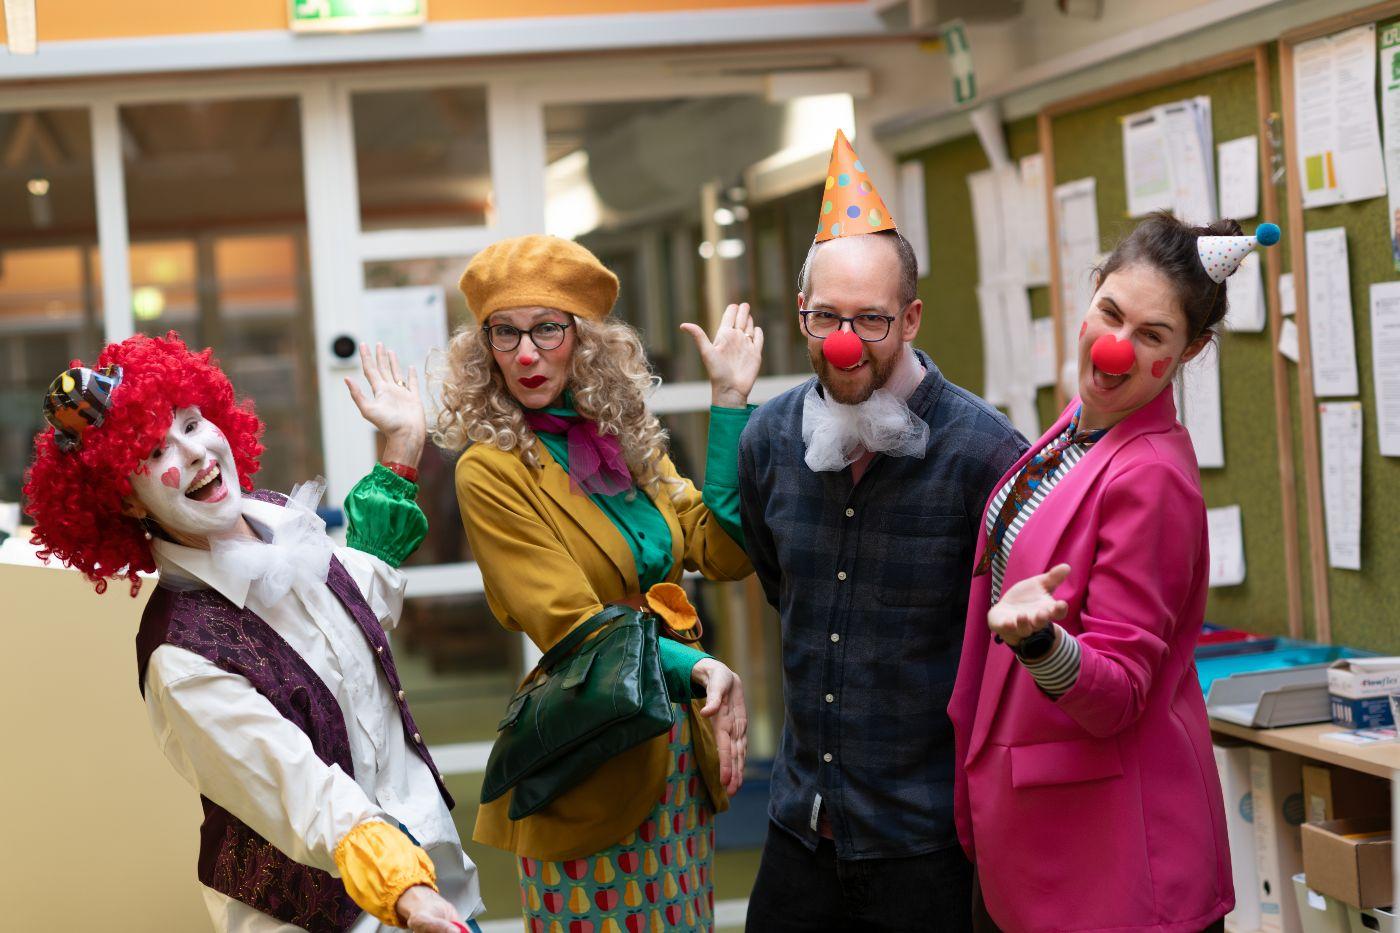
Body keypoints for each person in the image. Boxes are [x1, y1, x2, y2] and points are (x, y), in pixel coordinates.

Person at [23, 332, 483, 933]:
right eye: (156, 452)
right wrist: (403, 889)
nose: (193, 452)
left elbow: (356, 607)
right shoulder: (181, 656)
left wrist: (402, 446)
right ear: (127, 502)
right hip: (342, 915)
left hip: (435, 872)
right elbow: (302, 792)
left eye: (191, 424)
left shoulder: (276, 521)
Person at [948, 214, 1275, 932]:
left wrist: (1040, 642)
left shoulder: (1151, 475)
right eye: (1110, 312)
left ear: (1191, 349)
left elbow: (1120, 693)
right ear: (1092, 291)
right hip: (1039, 834)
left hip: (1111, 858)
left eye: (1152, 335)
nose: (1116, 346)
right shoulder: (1083, 424)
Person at [738, 131, 1028, 931]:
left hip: (925, 842)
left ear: (911, 316)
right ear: (802, 310)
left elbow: (1007, 649)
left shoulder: (985, 453)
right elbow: (782, 586)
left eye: (870, 318)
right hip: (799, 831)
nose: (844, 340)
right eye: (825, 316)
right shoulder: (769, 439)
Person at [438, 234, 759, 932]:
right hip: (591, 745)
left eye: (547, 329)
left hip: (675, 745)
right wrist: (697, 664)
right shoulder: (489, 470)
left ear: (583, 340)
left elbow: (722, 550)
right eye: (504, 332)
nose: (525, 354)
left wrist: (730, 401)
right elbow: (571, 622)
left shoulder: (622, 437)